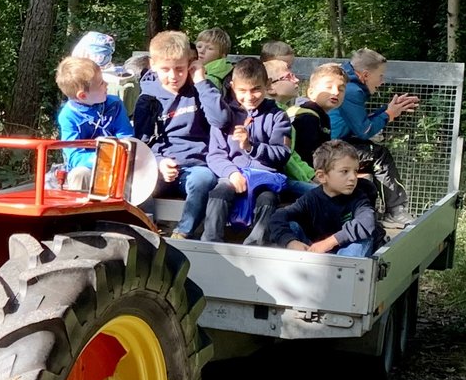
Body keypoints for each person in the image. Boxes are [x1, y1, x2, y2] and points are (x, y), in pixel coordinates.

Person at [133, 31, 228, 239]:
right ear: (153, 65)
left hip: (195, 166)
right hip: (159, 167)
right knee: (136, 179)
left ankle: (183, 232)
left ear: (190, 64)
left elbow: (220, 120)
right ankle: (148, 231)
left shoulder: (200, 90)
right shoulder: (148, 98)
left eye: (180, 69)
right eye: (165, 70)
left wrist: (201, 82)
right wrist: (158, 162)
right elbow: (142, 144)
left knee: (204, 179)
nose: (173, 76)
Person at [212, 58, 294, 244]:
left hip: (265, 179)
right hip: (233, 176)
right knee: (220, 192)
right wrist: (231, 173)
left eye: (256, 89)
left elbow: (282, 154)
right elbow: (215, 155)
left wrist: (251, 147)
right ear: (232, 87)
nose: (249, 97)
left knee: (267, 199)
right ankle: (210, 241)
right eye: (242, 91)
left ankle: (255, 246)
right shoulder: (225, 116)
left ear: (267, 85)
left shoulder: (278, 117)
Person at [331, 48, 417, 218]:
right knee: (379, 155)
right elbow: (365, 131)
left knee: (374, 155)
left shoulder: (350, 86)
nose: (382, 81)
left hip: (338, 142)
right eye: (380, 76)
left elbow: (361, 123)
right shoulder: (352, 91)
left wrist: (389, 110)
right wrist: (388, 115)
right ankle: (396, 211)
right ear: (365, 75)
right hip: (331, 147)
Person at [275, 140, 380, 256]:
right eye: (345, 171)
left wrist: (328, 243)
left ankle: (340, 270)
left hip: (344, 256)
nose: (353, 178)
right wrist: (290, 242)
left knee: (362, 239)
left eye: (355, 171)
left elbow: (367, 222)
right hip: (316, 251)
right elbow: (278, 217)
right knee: (291, 226)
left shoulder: (359, 197)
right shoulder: (311, 198)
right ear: (322, 176)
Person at [54, 55, 132, 191]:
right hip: (90, 166)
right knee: (79, 174)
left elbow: (125, 135)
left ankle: (142, 212)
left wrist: (121, 152)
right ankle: (81, 211)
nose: (106, 84)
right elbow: (73, 155)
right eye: (101, 83)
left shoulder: (115, 105)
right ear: (83, 96)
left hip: (118, 163)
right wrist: (100, 159)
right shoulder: (68, 116)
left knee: (136, 171)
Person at [283, 62, 346, 189]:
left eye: (341, 89)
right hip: (301, 178)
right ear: (311, 92)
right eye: (329, 87)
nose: (336, 92)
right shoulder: (308, 118)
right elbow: (307, 156)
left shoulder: (321, 116)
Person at [260, 40, 301, 105]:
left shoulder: (289, 92)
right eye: (280, 64)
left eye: (289, 67)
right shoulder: (257, 97)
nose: (287, 70)